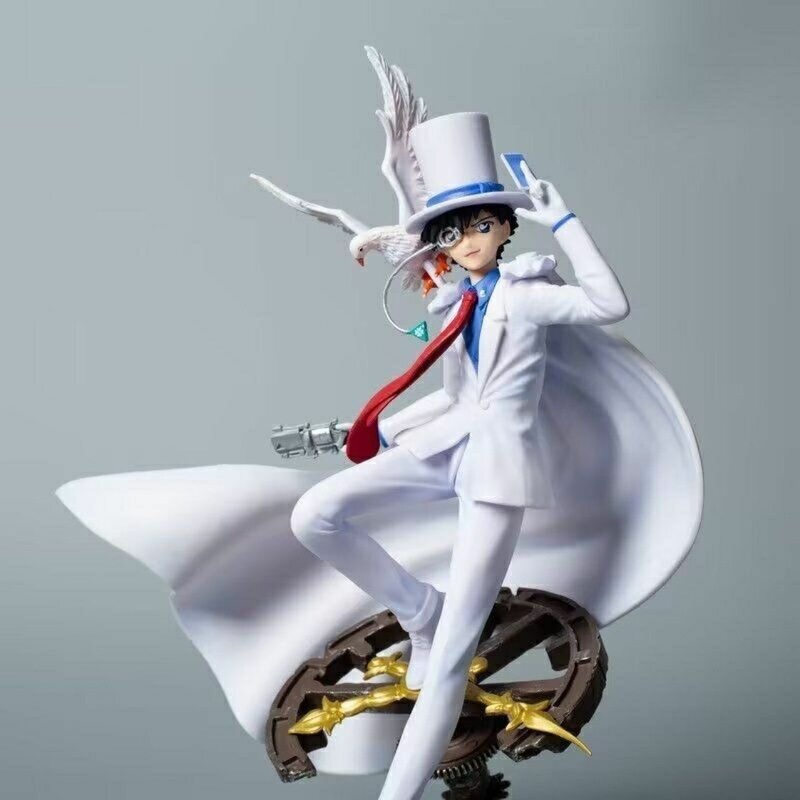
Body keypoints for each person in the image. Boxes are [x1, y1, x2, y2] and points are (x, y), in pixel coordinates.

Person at [288, 112, 630, 800]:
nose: (466, 241)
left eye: (479, 225)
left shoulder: (528, 297)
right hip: (444, 446)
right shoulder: (455, 301)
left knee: (449, 662)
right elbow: (453, 396)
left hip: (497, 473)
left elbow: (609, 303)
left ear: (505, 226)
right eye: (451, 232)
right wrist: (372, 431)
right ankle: (419, 608)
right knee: (314, 515)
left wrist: (565, 222)